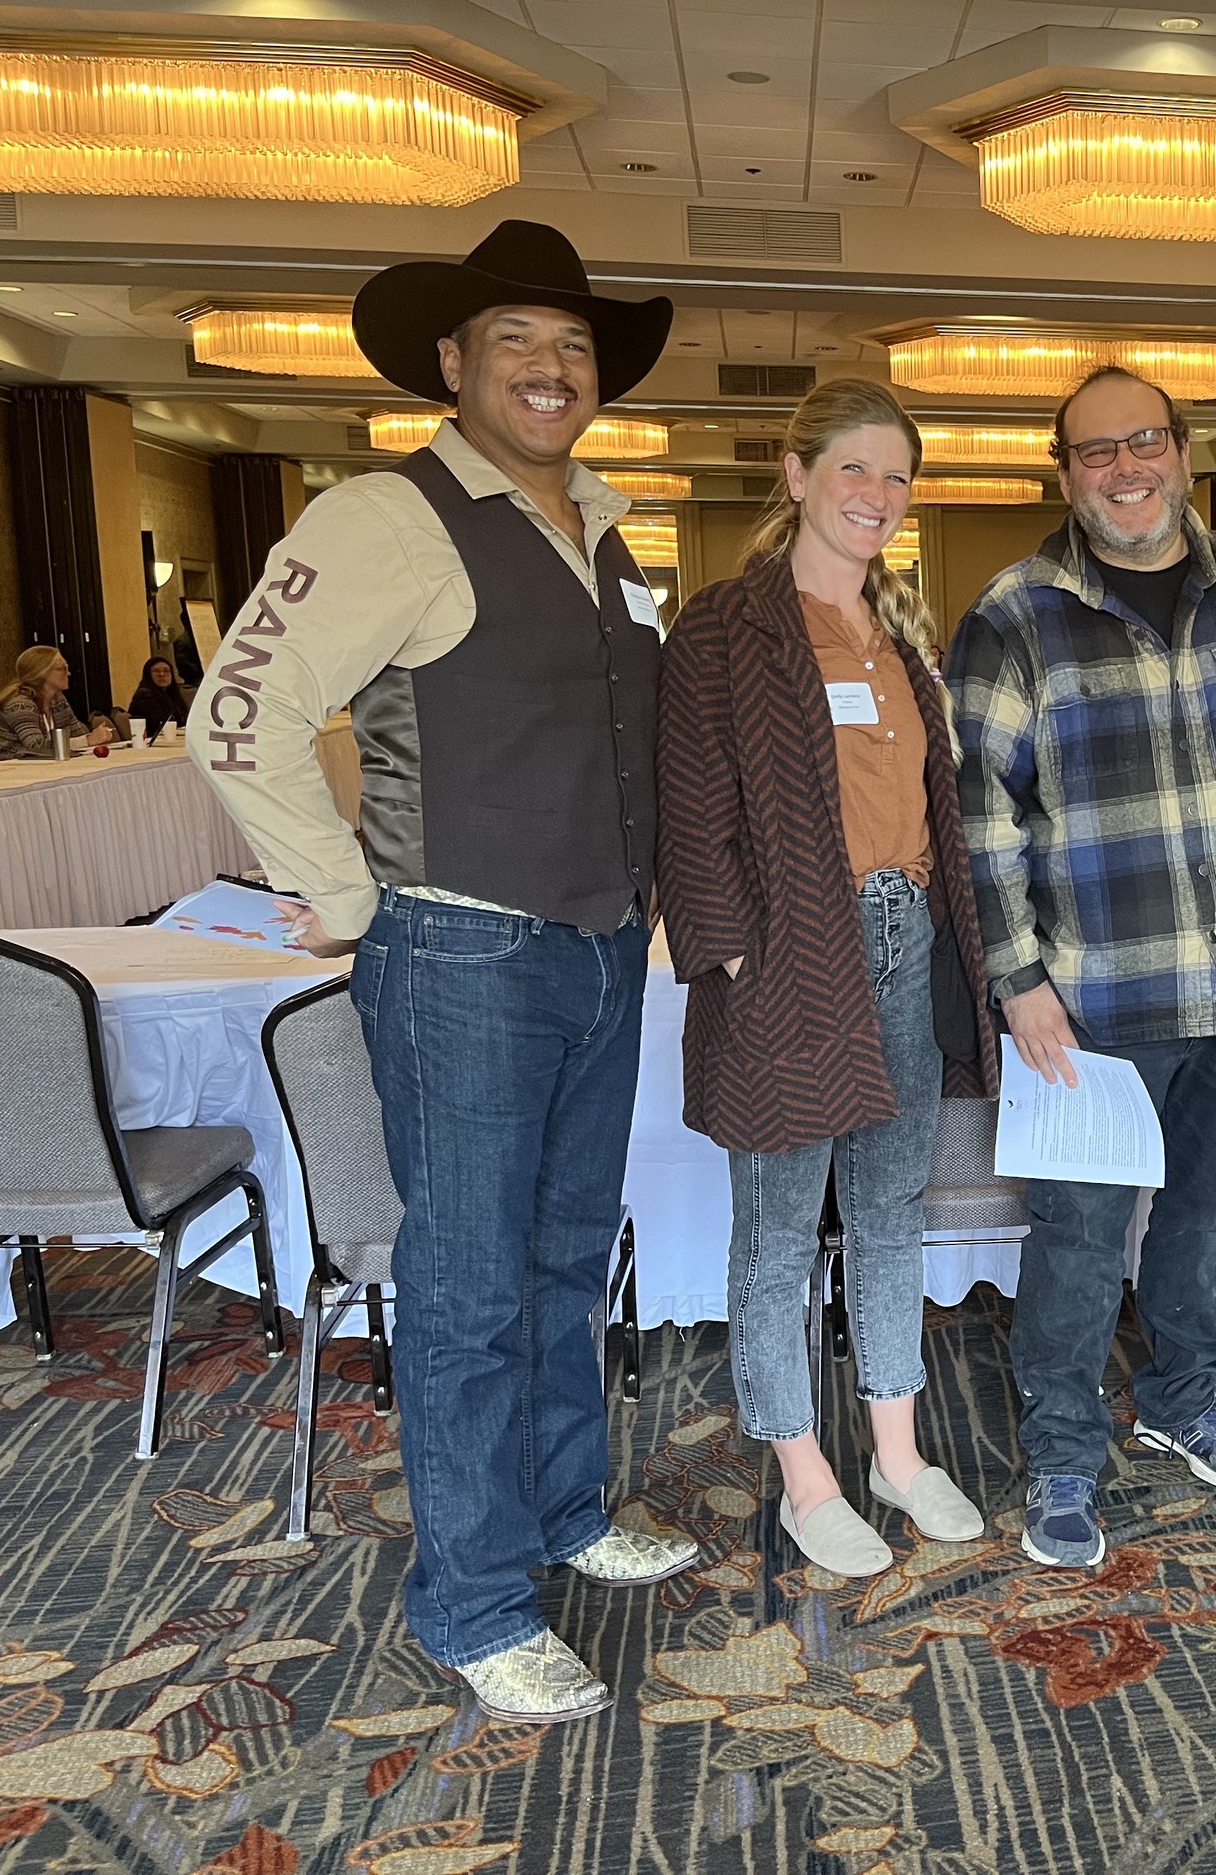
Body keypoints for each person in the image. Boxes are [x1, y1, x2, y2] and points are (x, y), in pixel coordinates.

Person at [194, 221, 697, 1725]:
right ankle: (473, 1598)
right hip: (466, 950)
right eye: (517, 343)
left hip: (604, 944)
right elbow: (240, 710)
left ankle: (557, 1510)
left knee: (560, 1258)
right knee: (470, 1287)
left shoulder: (600, 520)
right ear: (451, 363)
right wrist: (342, 892)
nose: (552, 370)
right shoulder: (385, 515)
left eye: (574, 347)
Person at [948, 365, 1216, 1570]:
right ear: (1065, 472)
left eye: (1145, 442)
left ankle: (1182, 1402)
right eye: (1097, 451)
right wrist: (1017, 980)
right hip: (1094, 1005)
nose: (1125, 468)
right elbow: (977, 818)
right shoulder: (1015, 615)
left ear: (1184, 451)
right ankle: (1066, 1452)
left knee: (1204, 1219)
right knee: (1079, 1239)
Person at [656, 379, 999, 1577]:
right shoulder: (722, 627)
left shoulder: (900, 632)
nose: (877, 495)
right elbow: (689, 813)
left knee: (893, 1211)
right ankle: (805, 1474)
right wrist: (737, 954)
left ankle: (898, 1456)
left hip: (906, 942)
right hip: (790, 955)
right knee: (778, 1231)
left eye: (896, 476)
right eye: (852, 468)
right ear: (796, 476)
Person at [0, 645, 112, 759]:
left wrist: (91, 738)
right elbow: (36, 747)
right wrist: (88, 740)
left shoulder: (58, 700)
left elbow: (76, 734)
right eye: (62, 668)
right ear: (42, 673)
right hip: (7, 769)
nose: (69, 673)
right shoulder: (19, 704)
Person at [127, 657, 194, 738]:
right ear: (148, 675)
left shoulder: (172, 694)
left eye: (166, 671)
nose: (162, 674)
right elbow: (159, 724)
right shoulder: (144, 695)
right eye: (156, 671)